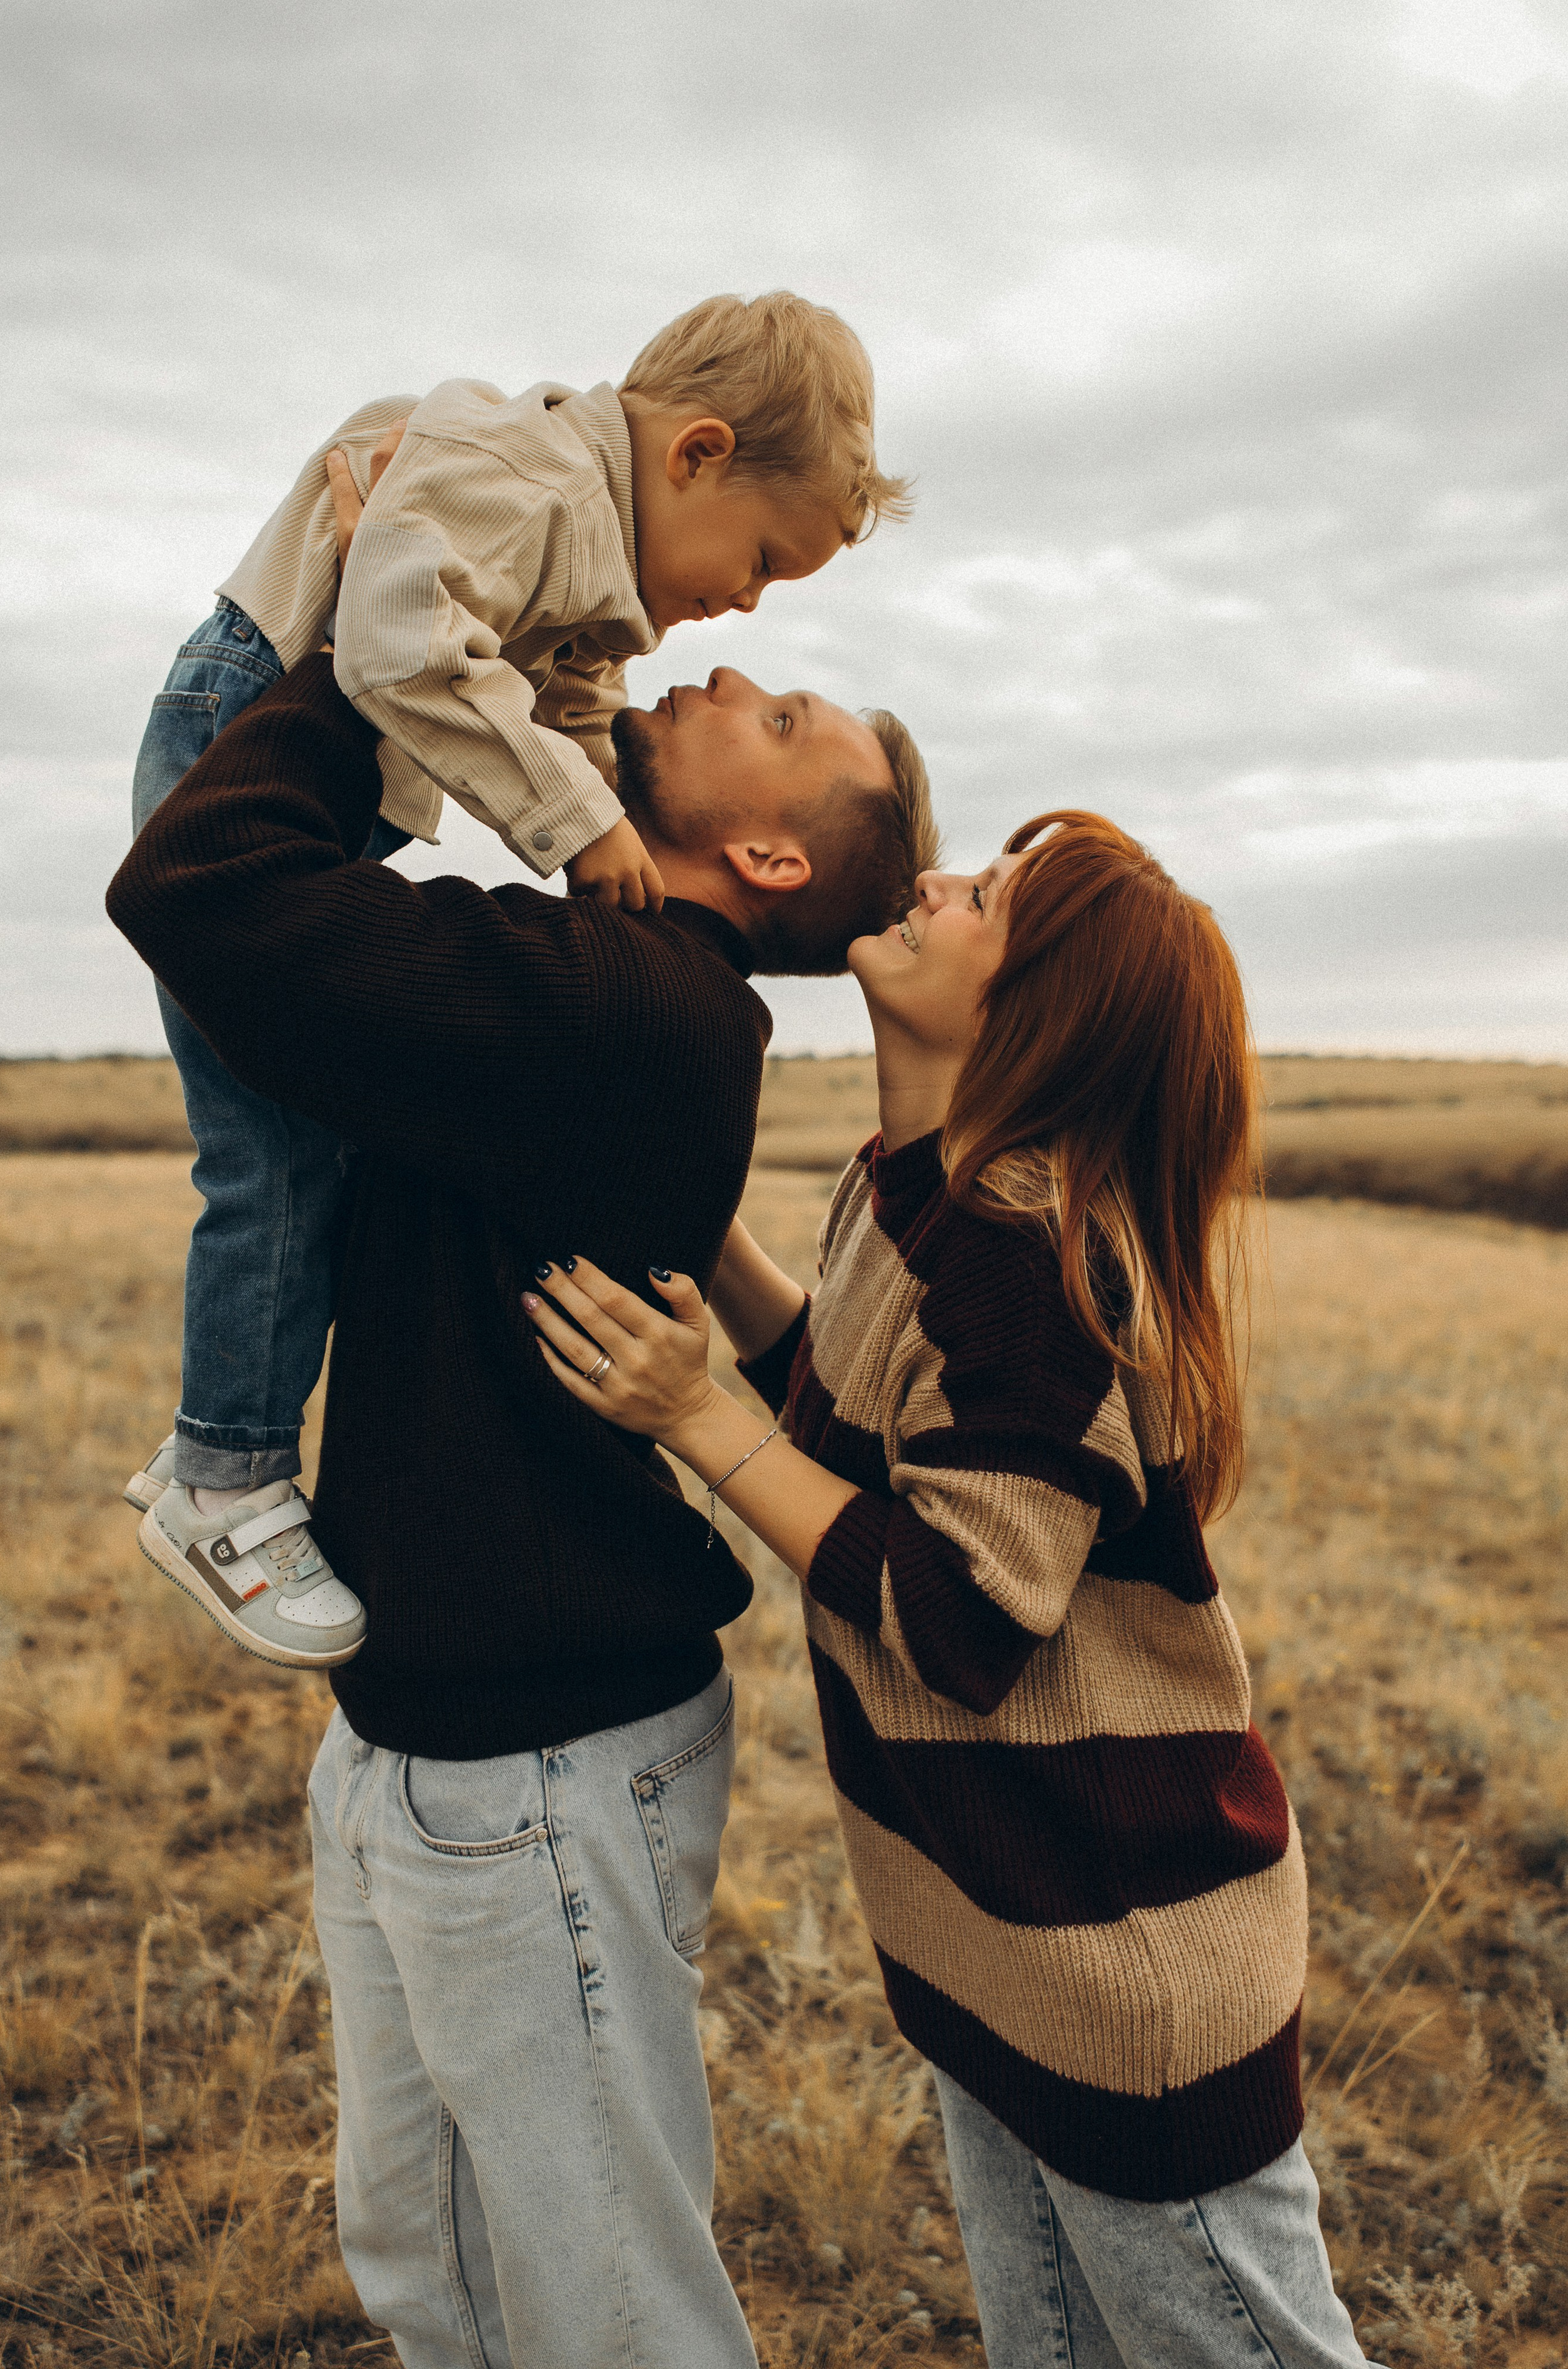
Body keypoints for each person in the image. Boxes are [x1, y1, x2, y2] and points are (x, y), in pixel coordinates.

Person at [106, 635, 938, 2367]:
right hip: (432, 1726)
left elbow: (202, 880)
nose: (721, 670)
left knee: (605, 2306)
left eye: (777, 718)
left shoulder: (614, 998)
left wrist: (382, 632)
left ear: (771, 856)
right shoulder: (606, 986)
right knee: (438, 2270)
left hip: (540, 1757)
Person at [528, 816, 1382, 2368]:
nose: (931, 882)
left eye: (983, 897)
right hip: (998, 1945)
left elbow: (960, 1621)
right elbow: (857, 1423)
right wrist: (705, 1234)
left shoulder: (1024, 1258)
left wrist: (695, 1423)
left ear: (1034, 1009)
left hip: (1125, 1967)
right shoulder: (906, 1192)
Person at [123, 290, 908, 1667]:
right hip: (237, 726)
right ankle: (223, 1470)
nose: (739, 612)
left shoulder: (576, 543)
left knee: (295, 1150)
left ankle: (230, 1464)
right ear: (696, 454)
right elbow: (405, 647)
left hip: (314, 765)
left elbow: (567, 720)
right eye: (766, 562)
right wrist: (582, 827)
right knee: (272, 1159)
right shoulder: (530, 487)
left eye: (778, 701)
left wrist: (609, 821)